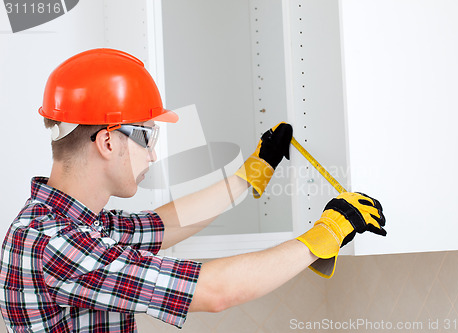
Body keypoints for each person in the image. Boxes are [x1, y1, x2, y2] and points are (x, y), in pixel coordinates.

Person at [0, 48, 386, 332]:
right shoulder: (52, 242)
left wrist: (253, 172)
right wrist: (325, 234)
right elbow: (214, 291)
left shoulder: (73, 225)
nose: (153, 155)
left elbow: (164, 224)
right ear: (108, 142)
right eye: (148, 136)